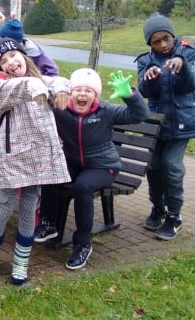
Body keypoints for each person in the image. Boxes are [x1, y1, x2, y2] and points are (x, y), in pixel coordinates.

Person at [0, 38, 70, 285]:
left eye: (13, 56)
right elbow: (16, 90)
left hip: (37, 154)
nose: (10, 63)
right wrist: (34, 85)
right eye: (3, 61)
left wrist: (60, 87)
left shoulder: (40, 79)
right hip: (12, 154)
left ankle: (21, 262)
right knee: (4, 204)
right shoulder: (1, 84)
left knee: (28, 207)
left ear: (23, 56)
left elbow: (57, 80)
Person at [36, 68, 149, 270]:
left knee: (82, 187)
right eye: (77, 89)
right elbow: (38, 94)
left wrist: (130, 95)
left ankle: (82, 245)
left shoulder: (106, 111)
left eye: (88, 91)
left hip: (103, 166)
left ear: (95, 95)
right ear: (70, 92)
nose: (82, 94)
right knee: (50, 172)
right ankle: (48, 223)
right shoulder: (61, 109)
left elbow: (140, 115)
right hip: (73, 162)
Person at [135, 13, 195, 240]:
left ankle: (174, 217)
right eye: (156, 41)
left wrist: (182, 66)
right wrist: (149, 78)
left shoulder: (189, 53)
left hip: (182, 124)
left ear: (172, 36)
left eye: (166, 38)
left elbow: (190, 85)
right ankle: (158, 208)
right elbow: (145, 92)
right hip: (157, 123)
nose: (163, 44)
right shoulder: (146, 60)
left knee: (171, 167)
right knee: (154, 167)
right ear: (150, 44)